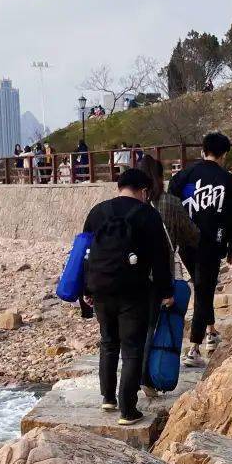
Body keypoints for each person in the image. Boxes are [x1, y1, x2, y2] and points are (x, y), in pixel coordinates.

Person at [82, 166, 173, 425]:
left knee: (108, 342)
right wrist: (166, 292)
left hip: (100, 287)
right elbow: (160, 258)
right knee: (131, 348)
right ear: (144, 191)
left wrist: (85, 290)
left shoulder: (98, 212)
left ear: (119, 187)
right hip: (133, 291)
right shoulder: (148, 215)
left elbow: (84, 253)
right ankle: (128, 410)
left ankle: (108, 398)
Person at [167, 131, 232, 366]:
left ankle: (211, 332)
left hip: (186, 244)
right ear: (224, 154)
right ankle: (194, 348)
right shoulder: (226, 179)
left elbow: (169, 205)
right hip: (213, 243)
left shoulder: (183, 176)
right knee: (203, 289)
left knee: (203, 285)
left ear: (203, 150)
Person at [141, 151, 199, 395]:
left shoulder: (133, 205)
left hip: (135, 275)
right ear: (161, 178)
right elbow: (192, 236)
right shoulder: (171, 203)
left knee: (140, 328)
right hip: (162, 274)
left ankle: (134, 380)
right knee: (159, 326)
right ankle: (152, 375)